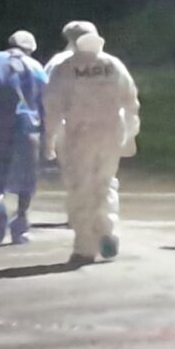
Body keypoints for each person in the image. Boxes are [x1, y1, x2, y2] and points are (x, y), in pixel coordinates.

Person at [44, 23, 140, 265]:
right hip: (111, 133)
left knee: (82, 187)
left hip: (81, 134)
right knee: (105, 183)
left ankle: (85, 246)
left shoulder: (65, 67)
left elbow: (53, 107)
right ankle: (107, 229)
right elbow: (131, 102)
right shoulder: (113, 65)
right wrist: (130, 135)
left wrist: (49, 139)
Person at [0, 30, 48, 246]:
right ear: (30, 49)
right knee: (27, 176)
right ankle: (21, 220)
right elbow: (45, 102)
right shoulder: (36, 67)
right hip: (28, 127)